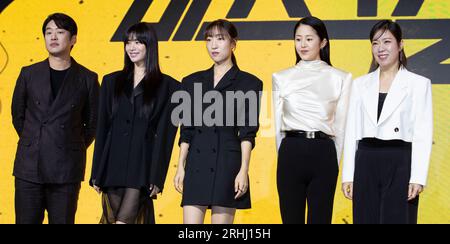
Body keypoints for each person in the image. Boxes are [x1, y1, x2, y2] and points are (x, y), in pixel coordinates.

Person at [342, 20, 433, 224]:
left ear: (400, 44)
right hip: (366, 159)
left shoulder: (419, 84)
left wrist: (417, 178)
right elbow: (351, 132)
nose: (380, 48)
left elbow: (423, 134)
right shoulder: (359, 84)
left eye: (386, 41)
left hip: (400, 161)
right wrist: (348, 174)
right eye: (375, 43)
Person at [11, 13, 99, 224]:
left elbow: (93, 123)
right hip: (29, 167)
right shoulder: (28, 74)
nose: (53, 37)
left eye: (60, 32)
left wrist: (70, 144)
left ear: (73, 39)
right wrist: (35, 140)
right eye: (48, 32)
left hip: (66, 169)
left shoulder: (87, 78)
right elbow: (18, 116)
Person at [173, 19, 263, 224]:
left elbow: (248, 132)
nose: (213, 45)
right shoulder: (191, 81)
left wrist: (244, 170)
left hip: (227, 164)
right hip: (197, 163)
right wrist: (180, 166)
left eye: (220, 39)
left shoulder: (249, 83)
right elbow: (187, 129)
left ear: (233, 43)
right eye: (209, 39)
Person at [90, 22, 179, 224]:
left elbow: (165, 136)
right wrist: (97, 172)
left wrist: (157, 176)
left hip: (142, 167)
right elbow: (102, 129)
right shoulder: (111, 81)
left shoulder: (169, 86)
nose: (132, 47)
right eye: (128, 42)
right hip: (113, 164)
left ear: (150, 46)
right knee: (113, 220)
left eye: (138, 42)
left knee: (123, 221)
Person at [272, 16, 352, 224]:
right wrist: (284, 155)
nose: (303, 45)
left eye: (309, 39)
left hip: (323, 153)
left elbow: (342, 127)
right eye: (298, 39)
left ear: (323, 42)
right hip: (291, 152)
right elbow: (277, 127)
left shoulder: (341, 77)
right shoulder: (281, 77)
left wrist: (334, 160)